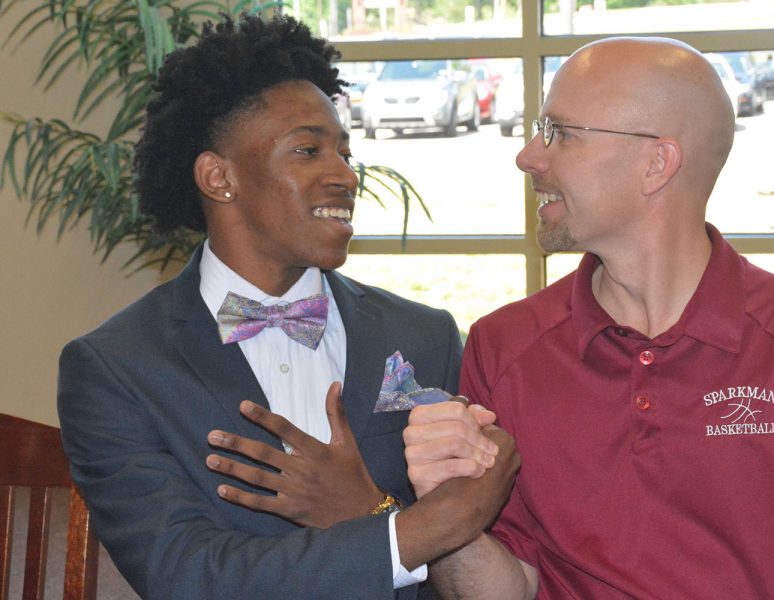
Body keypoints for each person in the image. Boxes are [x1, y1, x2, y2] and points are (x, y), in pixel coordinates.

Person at [402, 37, 774, 599]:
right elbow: (506, 591)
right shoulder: (504, 345)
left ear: (657, 164)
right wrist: (449, 511)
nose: (529, 157)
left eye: (560, 133)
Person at [57, 14, 517, 600]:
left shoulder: (424, 335)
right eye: (308, 150)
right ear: (219, 177)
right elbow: (185, 575)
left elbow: (471, 577)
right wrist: (408, 529)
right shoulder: (117, 368)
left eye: (345, 152)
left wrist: (368, 510)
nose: (345, 175)